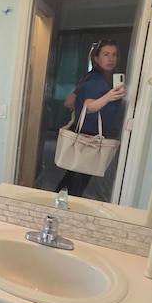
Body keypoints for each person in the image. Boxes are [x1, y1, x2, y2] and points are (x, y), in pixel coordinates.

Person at [56, 39, 127, 198]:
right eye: (106, 54)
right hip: (88, 136)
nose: (111, 59)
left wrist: (80, 102)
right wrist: (108, 97)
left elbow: (69, 101)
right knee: (78, 181)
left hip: (87, 133)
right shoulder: (96, 79)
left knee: (73, 177)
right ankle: (64, 210)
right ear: (96, 58)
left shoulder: (95, 78)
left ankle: (57, 204)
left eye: (114, 55)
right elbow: (90, 107)